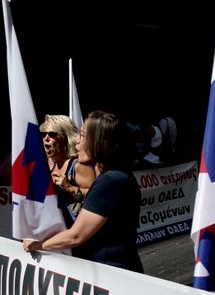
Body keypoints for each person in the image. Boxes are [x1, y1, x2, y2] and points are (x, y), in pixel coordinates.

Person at [23, 110, 143, 273]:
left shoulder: (111, 180)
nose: (77, 142)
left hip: (113, 272)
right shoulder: (111, 178)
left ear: (101, 142)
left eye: (83, 136)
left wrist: (37, 244)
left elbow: (76, 236)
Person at [40, 114, 95, 224]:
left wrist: (71, 188)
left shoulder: (78, 166)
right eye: (43, 134)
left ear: (65, 137)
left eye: (52, 134)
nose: (46, 138)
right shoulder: (48, 168)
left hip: (78, 229)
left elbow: (98, 195)